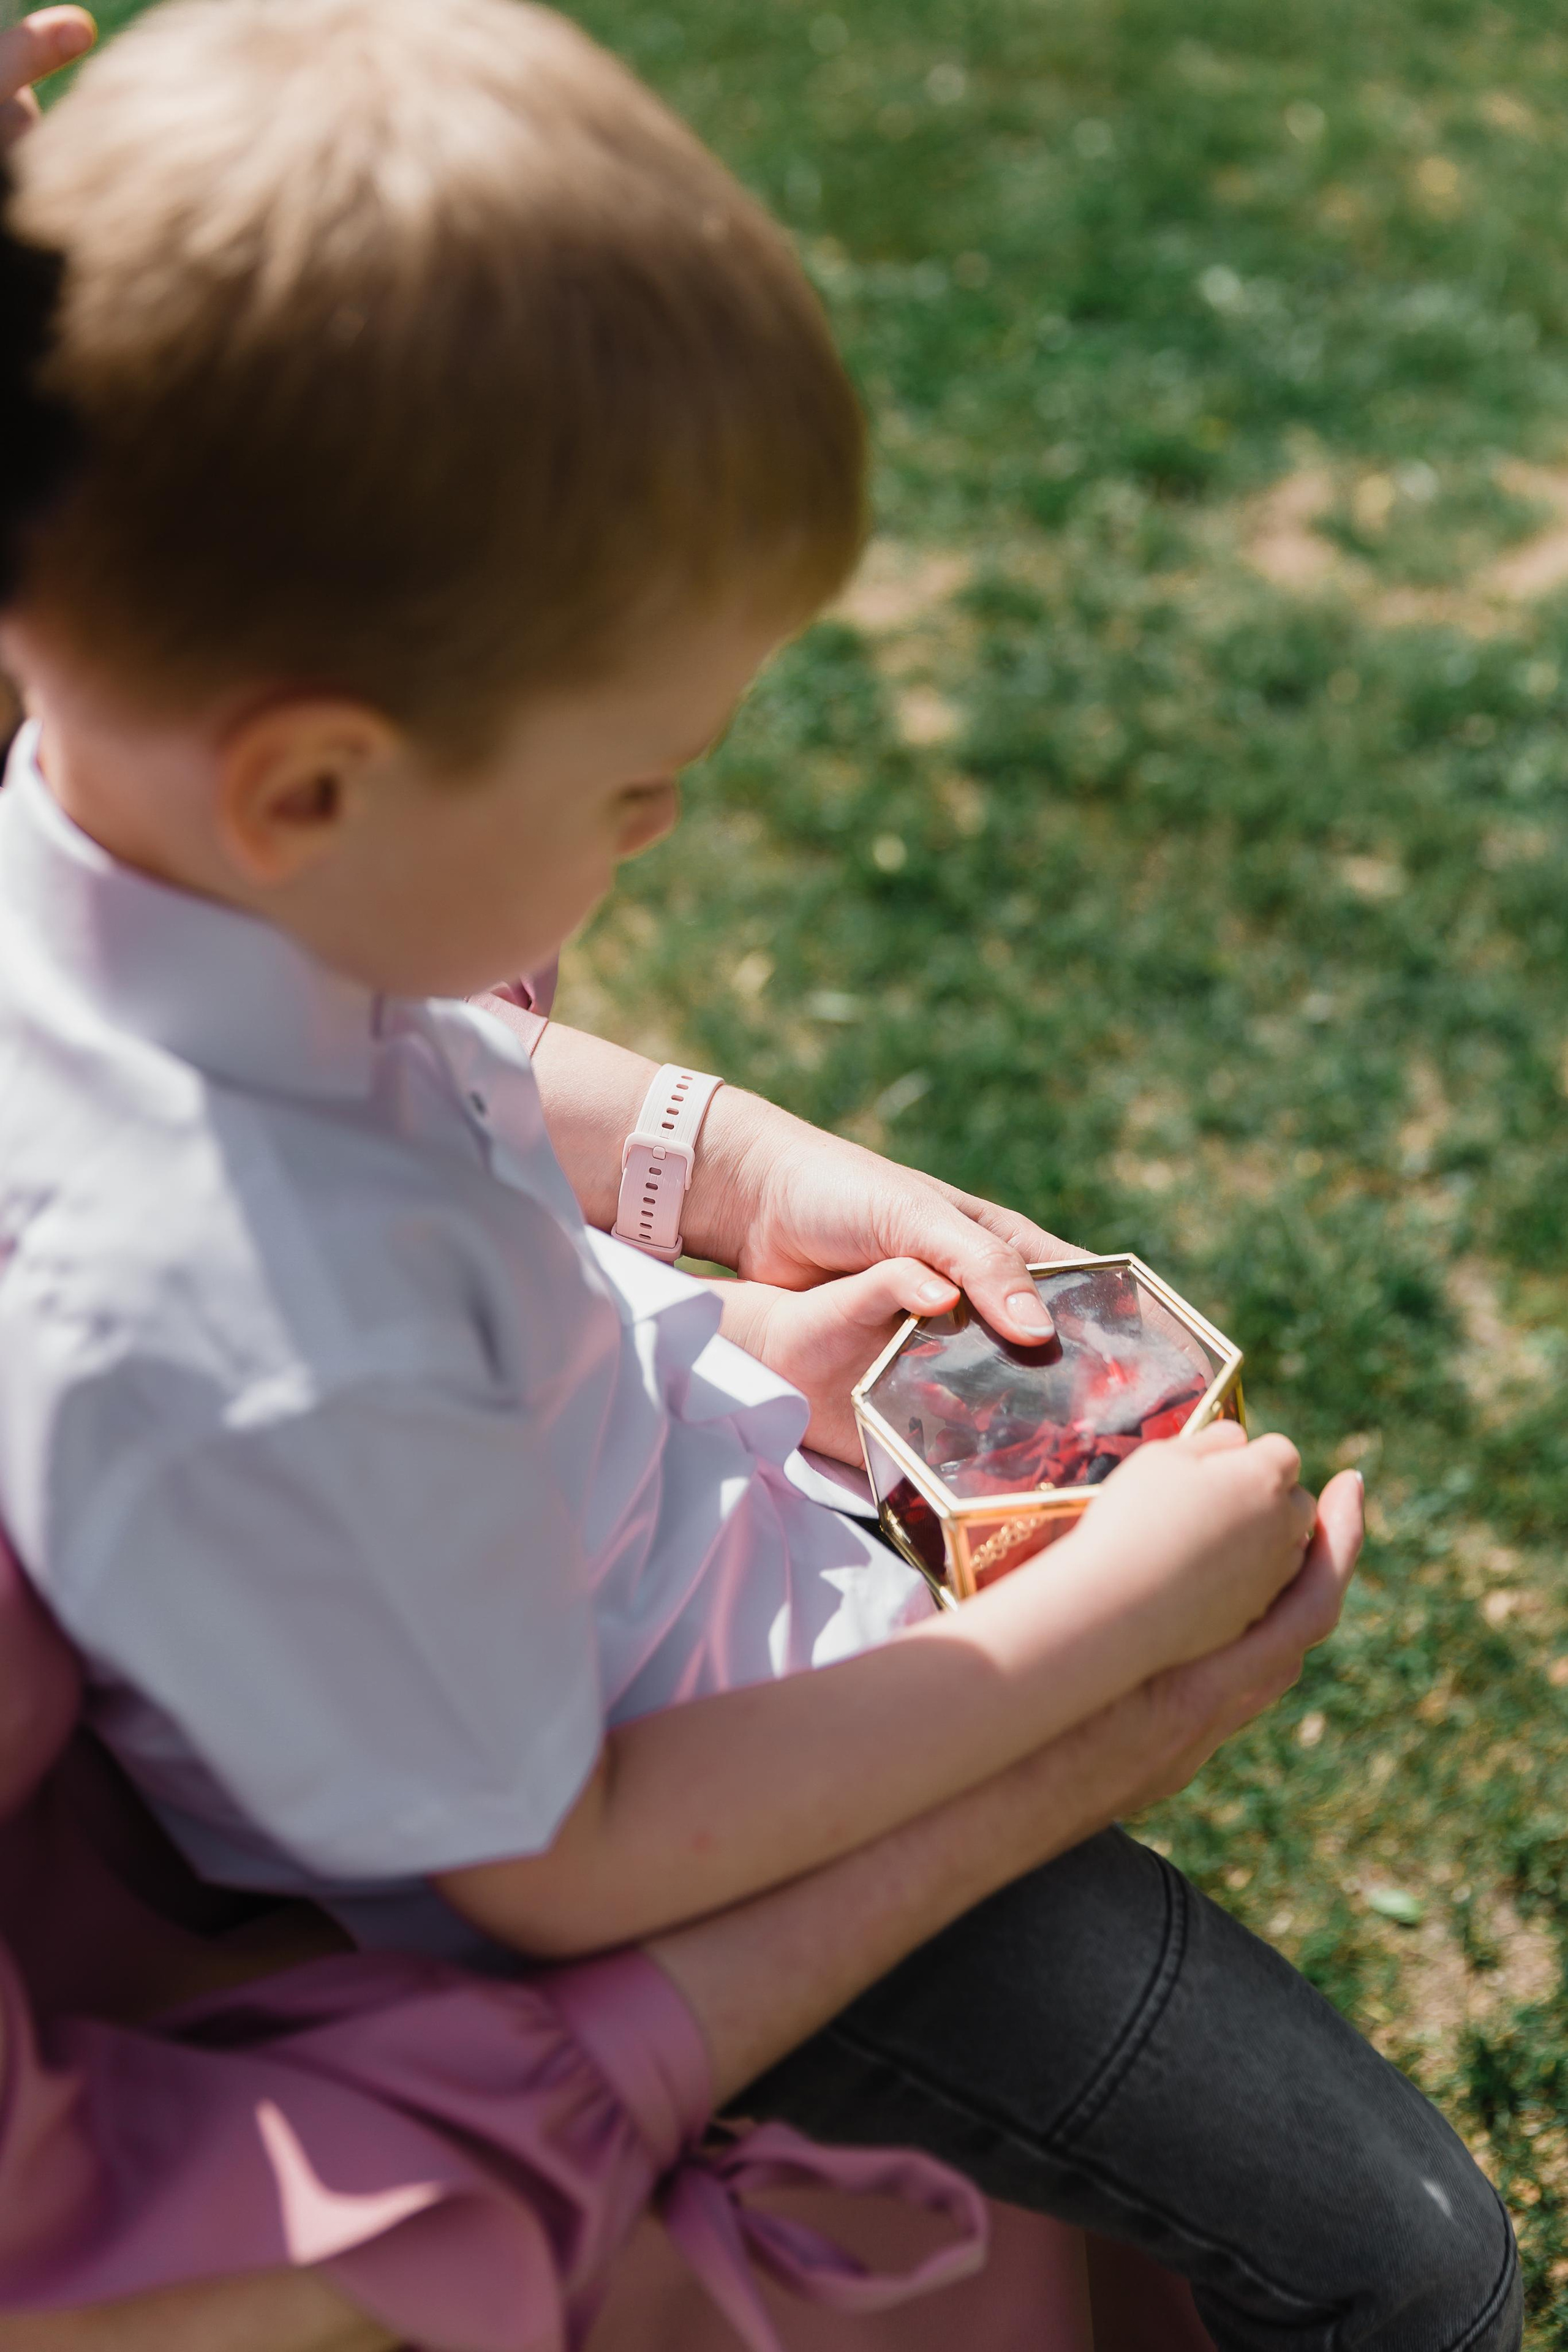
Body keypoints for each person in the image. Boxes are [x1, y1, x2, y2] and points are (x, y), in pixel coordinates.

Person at [0, 4, 1515, 2347]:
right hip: (717, 1846)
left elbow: (447, 1097)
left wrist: (742, 1204)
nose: (661, 840)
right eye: (630, 788)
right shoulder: (256, 1308)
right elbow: (551, 1870)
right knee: (1397, 2263)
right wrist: (1080, 1648)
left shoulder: (135, 888)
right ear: (308, 787)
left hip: (675, 1594)